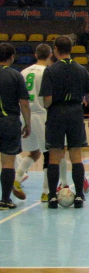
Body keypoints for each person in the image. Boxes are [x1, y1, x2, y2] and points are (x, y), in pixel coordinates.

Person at [13, 44, 84, 203]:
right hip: (41, 114)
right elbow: (48, 98)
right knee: (53, 154)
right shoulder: (48, 71)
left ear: (35, 54)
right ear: (51, 54)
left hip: (24, 115)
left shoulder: (24, 72)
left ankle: (17, 177)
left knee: (34, 152)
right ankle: (47, 191)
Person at [40, 35, 89, 209]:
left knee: (55, 157)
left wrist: (48, 105)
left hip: (56, 113)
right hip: (75, 113)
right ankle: (79, 196)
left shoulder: (50, 71)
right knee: (76, 156)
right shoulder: (82, 70)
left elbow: (47, 99)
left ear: (55, 50)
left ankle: (51, 197)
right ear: (71, 49)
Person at [0, 43, 31, 210]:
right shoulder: (16, 76)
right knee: (8, 163)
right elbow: (24, 104)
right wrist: (28, 124)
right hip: (9, 122)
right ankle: (5, 199)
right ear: (11, 57)